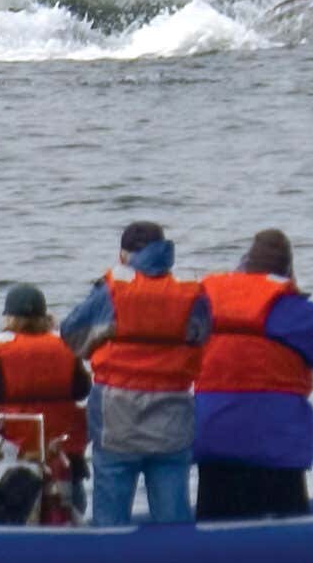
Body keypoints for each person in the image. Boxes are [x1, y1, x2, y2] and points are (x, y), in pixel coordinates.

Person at [192, 228, 313, 520]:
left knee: (215, 522)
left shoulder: (204, 303)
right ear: (286, 269)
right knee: (288, 526)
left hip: (213, 436)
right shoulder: (289, 308)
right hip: (276, 443)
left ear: (245, 263)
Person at [59, 221, 208, 526]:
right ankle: (178, 554)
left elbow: (71, 334)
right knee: (173, 515)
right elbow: (202, 337)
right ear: (165, 253)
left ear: (123, 256)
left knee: (110, 516)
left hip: (116, 414)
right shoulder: (192, 295)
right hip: (173, 413)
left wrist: (103, 345)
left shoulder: (110, 291)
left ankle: (109, 554)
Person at [0, 284, 93, 511]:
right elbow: (82, 388)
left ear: (9, 318)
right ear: (44, 317)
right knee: (72, 508)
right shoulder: (64, 347)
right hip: (62, 455)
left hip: (12, 455)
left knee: (11, 512)